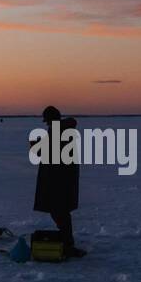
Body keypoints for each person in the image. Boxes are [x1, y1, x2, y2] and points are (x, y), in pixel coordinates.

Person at [32, 105, 85, 257]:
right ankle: (67, 241)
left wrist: (36, 147)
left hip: (58, 180)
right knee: (60, 211)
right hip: (61, 179)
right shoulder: (62, 131)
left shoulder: (57, 131)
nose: (47, 124)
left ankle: (68, 243)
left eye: (47, 121)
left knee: (59, 211)